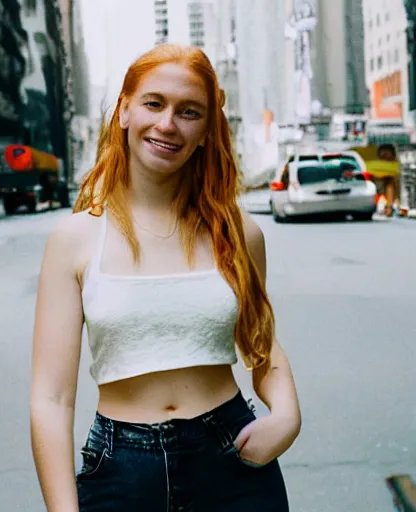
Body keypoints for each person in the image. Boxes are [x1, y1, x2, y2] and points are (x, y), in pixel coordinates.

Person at [30, 43, 301, 511]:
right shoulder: (74, 239)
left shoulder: (239, 234)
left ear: (206, 133)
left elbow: (262, 348)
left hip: (231, 456)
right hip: (121, 469)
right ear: (124, 113)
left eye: (189, 112)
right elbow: (51, 399)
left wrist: (288, 417)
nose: (167, 124)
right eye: (154, 103)